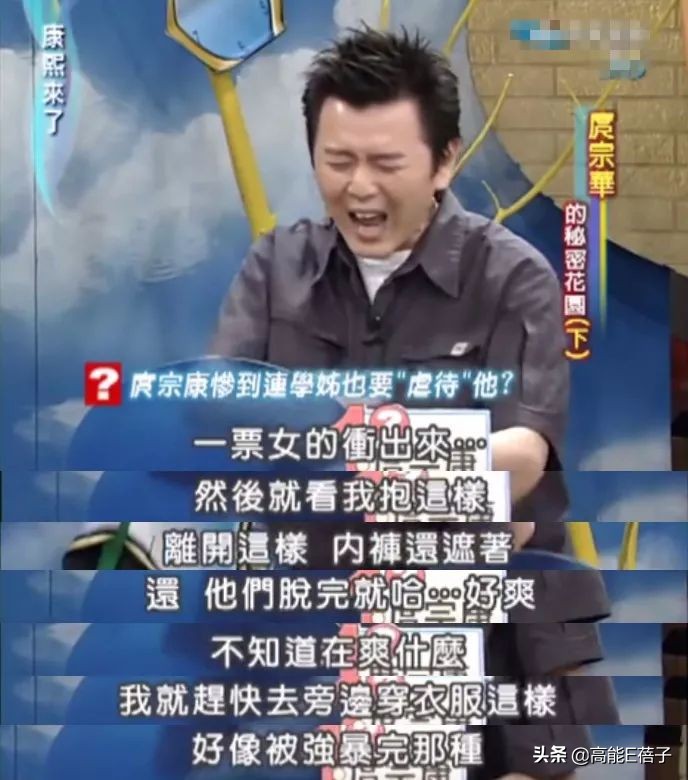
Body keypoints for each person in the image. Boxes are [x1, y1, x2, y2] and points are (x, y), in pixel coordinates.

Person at [210, 26, 619, 779]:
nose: (359, 188)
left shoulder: (513, 277)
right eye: (338, 162)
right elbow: (219, 417)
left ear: (445, 160)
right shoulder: (275, 267)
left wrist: (365, 463)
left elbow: (522, 455)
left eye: (386, 164)